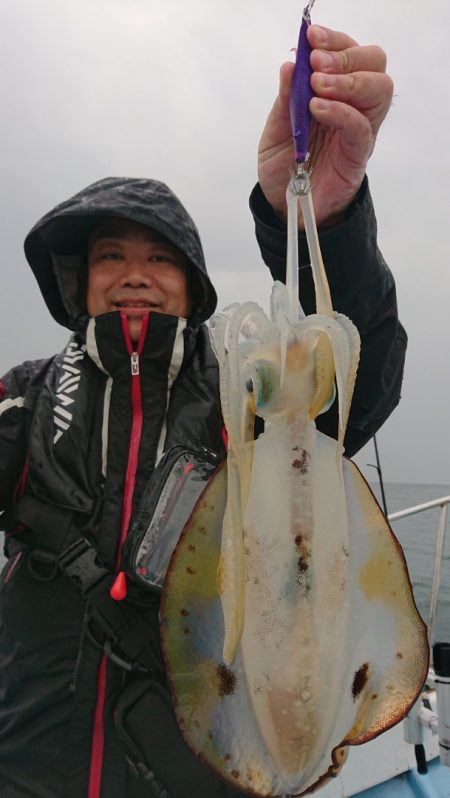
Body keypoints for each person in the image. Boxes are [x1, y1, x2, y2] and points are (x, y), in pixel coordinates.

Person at [0, 25, 405, 798]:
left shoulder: (239, 396)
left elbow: (360, 390)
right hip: (32, 766)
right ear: (78, 280)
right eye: (110, 255)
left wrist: (326, 221)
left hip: (196, 764)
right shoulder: (28, 394)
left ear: (190, 285)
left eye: (160, 258)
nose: (135, 276)